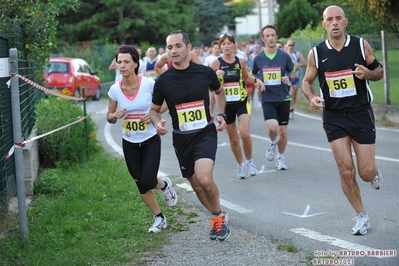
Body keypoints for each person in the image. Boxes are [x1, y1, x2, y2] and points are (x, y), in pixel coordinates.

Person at [302, 5, 383, 235]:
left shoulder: (360, 45)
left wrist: (368, 74)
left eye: (339, 18)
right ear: (324, 24)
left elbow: (379, 71)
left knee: (365, 173)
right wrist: (312, 97)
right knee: (346, 170)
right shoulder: (316, 53)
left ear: (345, 22)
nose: (335, 23)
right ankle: (361, 216)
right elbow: (307, 82)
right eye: (330, 19)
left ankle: (374, 172)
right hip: (334, 117)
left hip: (360, 113)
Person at [150, 30, 230, 241]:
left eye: (177, 46)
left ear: (188, 47)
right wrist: (157, 122)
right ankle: (218, 213)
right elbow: (154, 109)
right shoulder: (163, 81)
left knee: (204, 178)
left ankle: (217, 218)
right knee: (196, 186)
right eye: (169, 47)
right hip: (181, 138)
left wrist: (221, 113)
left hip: (205, 132)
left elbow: (220, 92)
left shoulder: (204, 73)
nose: (173, 51)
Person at [106, 45, 178, 234]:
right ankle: (159, 218)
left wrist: (153, 113)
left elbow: (165, 103)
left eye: (126, 62)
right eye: (119, 62)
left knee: (148, 178)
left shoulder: (149, 84)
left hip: (149, 139)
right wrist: (116, 115)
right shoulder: (115, 89)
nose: (122, 66)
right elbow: (109, 116)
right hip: (129, 142)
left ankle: (164, 184)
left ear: (136, 64)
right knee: (140, 182)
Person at [210, 33, 264, 179]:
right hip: (226, 106)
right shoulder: (216, 63)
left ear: (234, 45)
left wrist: (257, 81)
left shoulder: (240, 61)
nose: (226, 46)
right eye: (223, 44)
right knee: (234, 139)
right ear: (220, 46)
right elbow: (209, 85)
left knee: (245, 133)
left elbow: (246, 77)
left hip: (241, 101)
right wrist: (215, 76)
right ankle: (240, 165)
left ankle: (249, 161)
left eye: (229, 43)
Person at [252, 25, 297, 170]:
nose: (271, 38)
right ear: (263, 39)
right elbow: (252, 75)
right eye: (268, 35)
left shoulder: (284, 56)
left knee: (283, 132)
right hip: (268, 98)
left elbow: (294, 73)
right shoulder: (258, 58)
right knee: (272, 128)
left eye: (273, 35)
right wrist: (256, 81)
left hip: (283, 97)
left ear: (277, 37)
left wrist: (288, 77)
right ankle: (272, 143)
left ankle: (280, 157)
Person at [285, 39, 307, 119]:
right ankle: (286, 109)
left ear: (294, 46)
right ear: (286, 45)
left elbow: (305, 63)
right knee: (289, 94)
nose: (290, 47)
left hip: (295, 77)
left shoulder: (297, 54)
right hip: (286, 77)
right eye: (289, 45)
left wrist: (298, 66)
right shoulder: (284, 54)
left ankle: (291, 110)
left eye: (292, 45)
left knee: (293, 95)